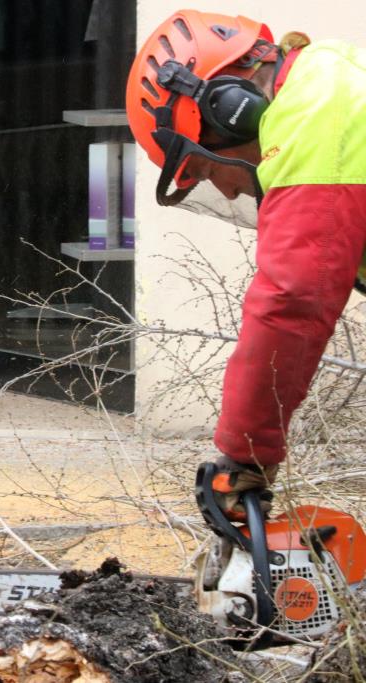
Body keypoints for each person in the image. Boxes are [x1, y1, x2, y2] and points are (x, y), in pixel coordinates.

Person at [126, 11, 366, 519]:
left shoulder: (318, 110)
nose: (230, 188)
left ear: (229, 110)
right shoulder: (331, 81)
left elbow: (293, 299)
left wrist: (244, 455)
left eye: (209, 170)